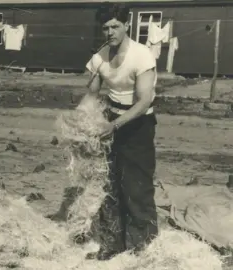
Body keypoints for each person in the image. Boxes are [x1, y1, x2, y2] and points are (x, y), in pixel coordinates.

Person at [82, 2, 159, 260]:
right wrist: (75, 125)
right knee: (110, 185)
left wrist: (113, 125)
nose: (110, 32)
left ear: (126, 25)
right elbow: (90, 97)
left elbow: (144, 101)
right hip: (111, 119)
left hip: (138, 124)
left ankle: (143, 249)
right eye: (105, 27)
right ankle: (113, 243)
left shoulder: (142, 55)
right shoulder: (99, 57)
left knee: (137, 187)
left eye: (115, 26)